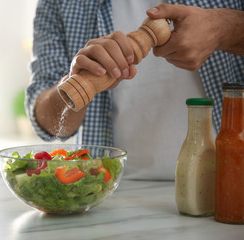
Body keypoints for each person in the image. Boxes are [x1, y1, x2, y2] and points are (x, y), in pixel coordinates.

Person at [25, 0, 244, 180]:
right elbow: (50, 127)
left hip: (227, 188)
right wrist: (77, 82)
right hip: (110, 192)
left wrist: (224, 28)